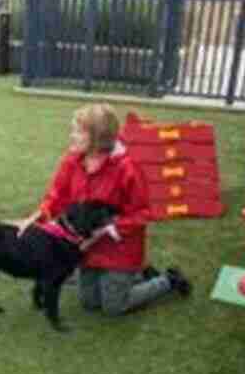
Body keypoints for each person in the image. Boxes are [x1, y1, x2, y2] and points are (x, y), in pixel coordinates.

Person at [17, 103, 190, 316]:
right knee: (89, 302)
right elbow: (56, 196)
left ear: (97, 137)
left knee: (113, 307)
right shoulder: (72, 160)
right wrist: (36, 217)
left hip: (120, 249)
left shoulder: (128, 169)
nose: (71, 136)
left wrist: (107, 230)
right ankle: (137, 274)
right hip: (88, 248)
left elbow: (143, 213)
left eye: (78, 131)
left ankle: (168, 280)